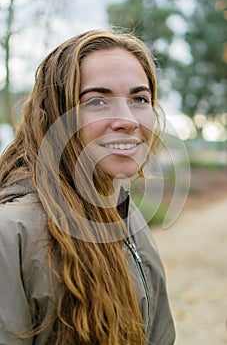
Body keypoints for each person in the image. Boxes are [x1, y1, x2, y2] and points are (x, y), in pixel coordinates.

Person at [0, 29, 175, 345]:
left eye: (139, 99)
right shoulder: (11, 232)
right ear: (56, 112)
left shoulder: (124, 214)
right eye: (97, 100)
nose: (127, 119)